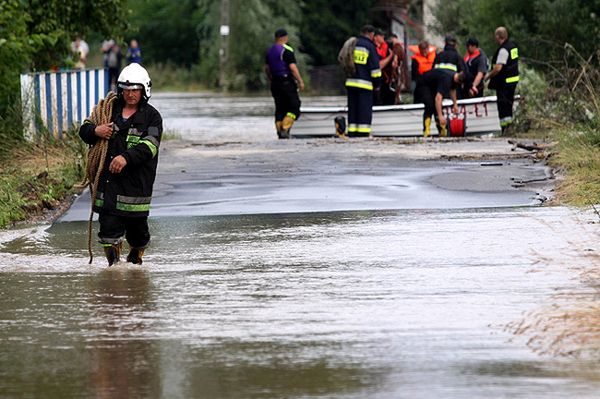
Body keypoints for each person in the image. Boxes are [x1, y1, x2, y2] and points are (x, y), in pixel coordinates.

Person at [79, 63, 163, 266]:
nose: (130, 94)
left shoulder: (152, 117)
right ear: (121, 90)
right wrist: (95, 131)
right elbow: (84, 130)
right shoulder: (107, 110)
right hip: (108, 188)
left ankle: (136, 262)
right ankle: (114, 271)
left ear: (144, 90)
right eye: (126, 90)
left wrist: (126, 157)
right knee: (108, 232)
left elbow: (150, 146)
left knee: (138, 235)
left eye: (135, 90)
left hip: (135, 191)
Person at [264, 28, 305, 139]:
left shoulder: (269, 51)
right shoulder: (286, 50)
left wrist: (271, 79)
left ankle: (279, 131)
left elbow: (267, 68)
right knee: (294, 107)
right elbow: (292, 67)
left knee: (280, 108)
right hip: (286, 82)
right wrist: (300, 81)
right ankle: (285, 128)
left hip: (275, 83)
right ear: (284, 37)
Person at [345, 24, 381, 137]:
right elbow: (375, 69)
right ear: (371, 34)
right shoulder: (369, 46)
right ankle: (363, 133)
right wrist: (377, 84)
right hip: (364, 84)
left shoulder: (352, 44)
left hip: (351, 82)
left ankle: (352, 131)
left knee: (353, 109)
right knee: (363, 110)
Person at [485, 26, 519, 134]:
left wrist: (488, 76)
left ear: (498, 36)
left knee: (503, 106)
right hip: (512, 81)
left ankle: (505, 129)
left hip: (504, 82)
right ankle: (509, 128)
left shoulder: (503, 49)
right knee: (509, 104)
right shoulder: (512, 46)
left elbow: (498, 68)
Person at [420, 68, 465, 137]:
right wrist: (440, 116)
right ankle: (426, 131)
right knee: (430, 105)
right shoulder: (447, 80)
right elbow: (438, 98)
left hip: (434, 85)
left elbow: (452, 90)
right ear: (457, 80)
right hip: (424, 84)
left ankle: (442, 131)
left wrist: (455, 104)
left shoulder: (455, 77)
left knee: (438, 107)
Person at [410, 40, 437, 104]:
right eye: (422, 50)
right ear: (419, 50)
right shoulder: (415, 60)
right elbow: (414, 75)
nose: (424, 52)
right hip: (421, 83)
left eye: (425, 50)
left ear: (428, 49)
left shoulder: (435, 57)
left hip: (433, 82)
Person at [373, 29, 394, 105]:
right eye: (381, 35)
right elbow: (379, 65)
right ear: (375, 37)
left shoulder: (387, 47)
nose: (383, 37)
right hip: (376, 82)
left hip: (386, 81)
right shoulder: (372, 48)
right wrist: (390, 56)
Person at [388, 34, 410, 105]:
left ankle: (397, 101)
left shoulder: (396, 47)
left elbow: (394, 62)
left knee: (396, 90)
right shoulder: (401, 48)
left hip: (397, 72)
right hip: (402, 72)